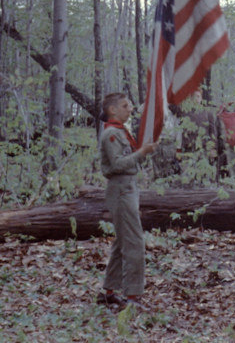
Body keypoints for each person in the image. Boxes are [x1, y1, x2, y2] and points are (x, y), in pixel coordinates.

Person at [97, 91, 157, 310]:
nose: (130, 109)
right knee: (134, 242)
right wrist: (141, 153)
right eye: (125, 106)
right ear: (112, 110)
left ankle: (109, 292)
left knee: (122, 241)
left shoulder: (120, 131)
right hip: (121, 189)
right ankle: (132, 296)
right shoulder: (111, 134)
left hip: (128, 187)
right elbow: (116, 164)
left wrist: (144, 150)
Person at [170, 88, 222, 185]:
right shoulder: (184, 111)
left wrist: (213, 148)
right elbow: (171, 106)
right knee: (188, 178)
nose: (196, 99)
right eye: (193, 97)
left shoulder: (208, 113)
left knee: (204, 177)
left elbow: (213, 132)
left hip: (204, 150)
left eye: (198, 96)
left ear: (201, 98)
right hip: (188, 150)